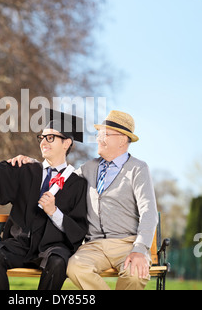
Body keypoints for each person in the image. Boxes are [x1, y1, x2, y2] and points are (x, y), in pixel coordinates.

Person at [9, 110, 158, 290]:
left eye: (105, 134)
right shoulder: (88, 167)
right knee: (75, 267)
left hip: (126, 243)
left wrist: (140, 249)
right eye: (99, 134)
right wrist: (34, 164)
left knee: (134, 276)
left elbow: (148, 212)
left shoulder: (138, 169)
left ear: (121, 139)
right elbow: (60, 174)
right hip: (94, 246)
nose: (98, 139)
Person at [0, 110, 88, 290]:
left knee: (58, 261)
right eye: (42, 137)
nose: (44, 142)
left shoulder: (77, 183)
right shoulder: (26, 170)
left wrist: (54, 212)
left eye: (50, 138)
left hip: (53, 247)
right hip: (21, 244)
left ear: (66, 143)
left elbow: (78, 229)